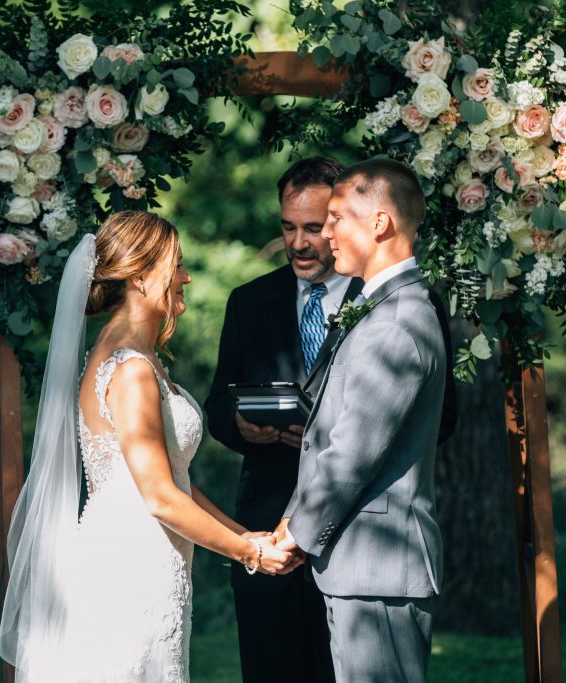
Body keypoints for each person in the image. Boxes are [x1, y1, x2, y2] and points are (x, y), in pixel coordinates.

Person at [0, 210, 293, 682]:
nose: (186, 277)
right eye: (176, 265)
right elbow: (157, 496)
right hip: (129, 564)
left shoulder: (139, 359)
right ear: (139, 276)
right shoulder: (131, 370)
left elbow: (172, 477)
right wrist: (248, 554)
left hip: (149, 556)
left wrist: (245, 533)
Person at [275, 158, 448, 682]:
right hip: (364, 567)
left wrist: (294, 536)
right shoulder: (383, 308)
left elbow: (352, 450)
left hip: (379, 570)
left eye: (334, 218)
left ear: (379, 223)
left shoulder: (396, 322)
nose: (324, 234)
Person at [204, 157, 357, 683]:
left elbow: (435, 418)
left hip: (355, 532)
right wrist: (240, 426)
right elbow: (217, 403)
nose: (298, 242)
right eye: (288, 227)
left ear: (342, 221)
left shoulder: (381, 300)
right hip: (266, 526)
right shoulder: (249, 302)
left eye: (313, 228)